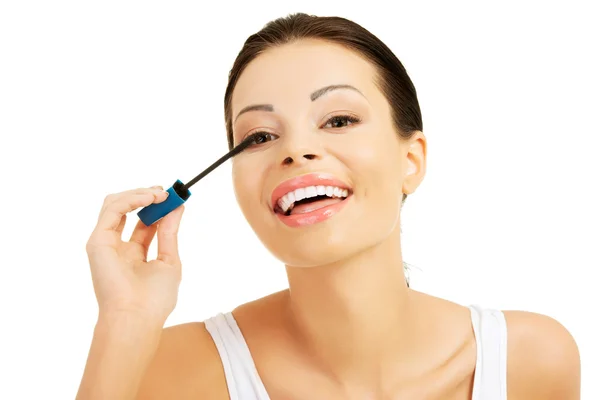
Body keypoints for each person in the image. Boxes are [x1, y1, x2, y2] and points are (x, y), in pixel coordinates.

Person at [76, 13, 580, 400]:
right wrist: (125, 321)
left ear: (411, 159)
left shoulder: (529, 360)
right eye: (259, 136)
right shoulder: (175, 370)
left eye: (338, 120)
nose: (295, 151)